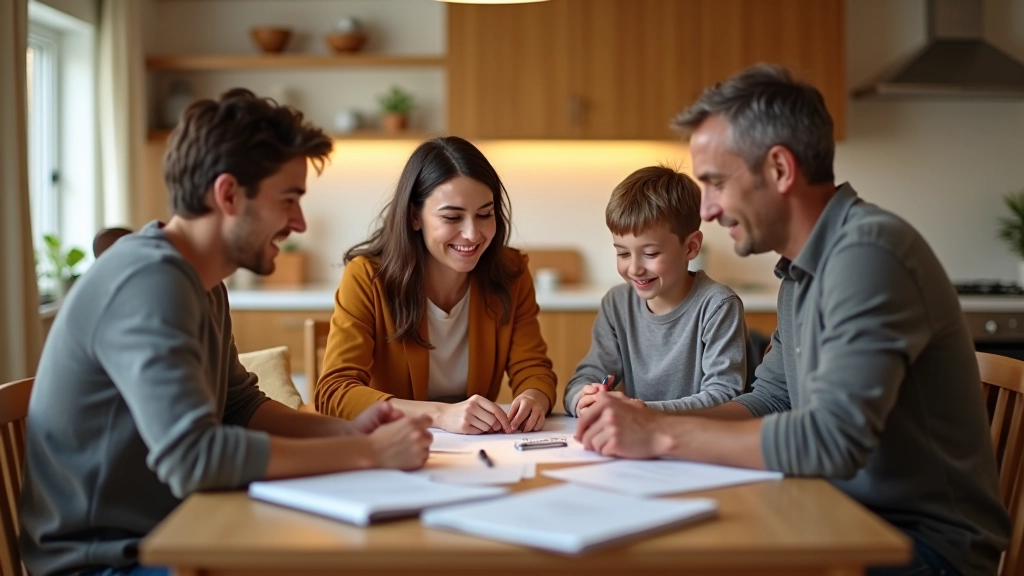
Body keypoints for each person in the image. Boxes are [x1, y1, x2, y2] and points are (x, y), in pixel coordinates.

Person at [575, 65, 1010, 576]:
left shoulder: (870, 254)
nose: (709, 210)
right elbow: (770, 399)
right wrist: (650, 420)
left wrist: (661, 437)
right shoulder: (802, 273)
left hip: (920, 548)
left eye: (715, 183)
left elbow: (832, 439)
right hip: (838, 515)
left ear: (779, 169)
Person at [19, 89, 433, 576]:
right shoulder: (149, 282)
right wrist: (365, 453)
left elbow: (240, 406)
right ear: (229, 194)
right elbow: (194, 458)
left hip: (176, 529)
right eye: (289, 199)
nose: (298, 222)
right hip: (109, 560)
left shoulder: (200, 279)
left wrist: (346, 429)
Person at [315, 136, 557, 434]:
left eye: (485, 214)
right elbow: (334, 392)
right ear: (415, 217)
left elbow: (533, 369)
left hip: (474, 450)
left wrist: (534, 397)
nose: (472, 234)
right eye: (452, 217)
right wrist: (439, 415)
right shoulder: (366, 277)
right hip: (393, 446)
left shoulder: (511, 272)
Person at [563, 165, 746, 417]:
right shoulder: (617, 304)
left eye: (650, 254)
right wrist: (583, 399)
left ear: (691, 247)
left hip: (697, 445)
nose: (635, 268)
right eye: (623, 253)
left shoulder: (718, 305)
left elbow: (725, 396)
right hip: (637, 442)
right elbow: (586, 376)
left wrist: (640, 410)